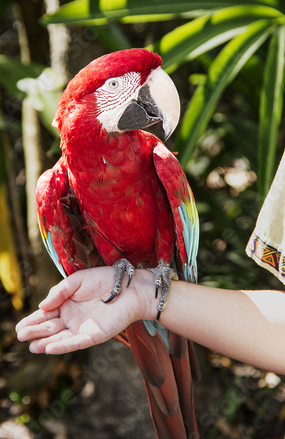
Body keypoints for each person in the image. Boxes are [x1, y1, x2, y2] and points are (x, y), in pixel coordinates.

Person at [16, 151, 285, 375]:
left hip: (162, 257)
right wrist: (146, 297)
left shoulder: (157, 158)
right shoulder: (59, 179)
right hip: (120, 268)